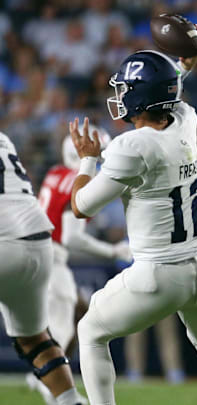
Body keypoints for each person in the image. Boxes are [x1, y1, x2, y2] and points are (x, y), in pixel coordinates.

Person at [69, 29, 197, 405]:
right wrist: (184, 63)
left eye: (125, 89)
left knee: (90, 331)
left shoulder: (130, 146)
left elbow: (81, 205)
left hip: (159, 272)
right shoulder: (186, 120)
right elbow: (172, 91)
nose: (119, 96)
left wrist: (87, 157)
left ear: (138, 96)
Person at [28, 128, 130, 404]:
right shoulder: (77, 181)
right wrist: (113, 250)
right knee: (62, 328)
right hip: (51, 254)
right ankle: (53, 389)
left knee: (63, 319)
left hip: (36, 249)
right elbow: (72, 238)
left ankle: (42, 379)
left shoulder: (56, 172)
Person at [0, 133, 87, 405]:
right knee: (36, 341)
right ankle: (69, 400)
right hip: (39, 243)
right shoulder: (4, 140)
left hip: (4, 242)